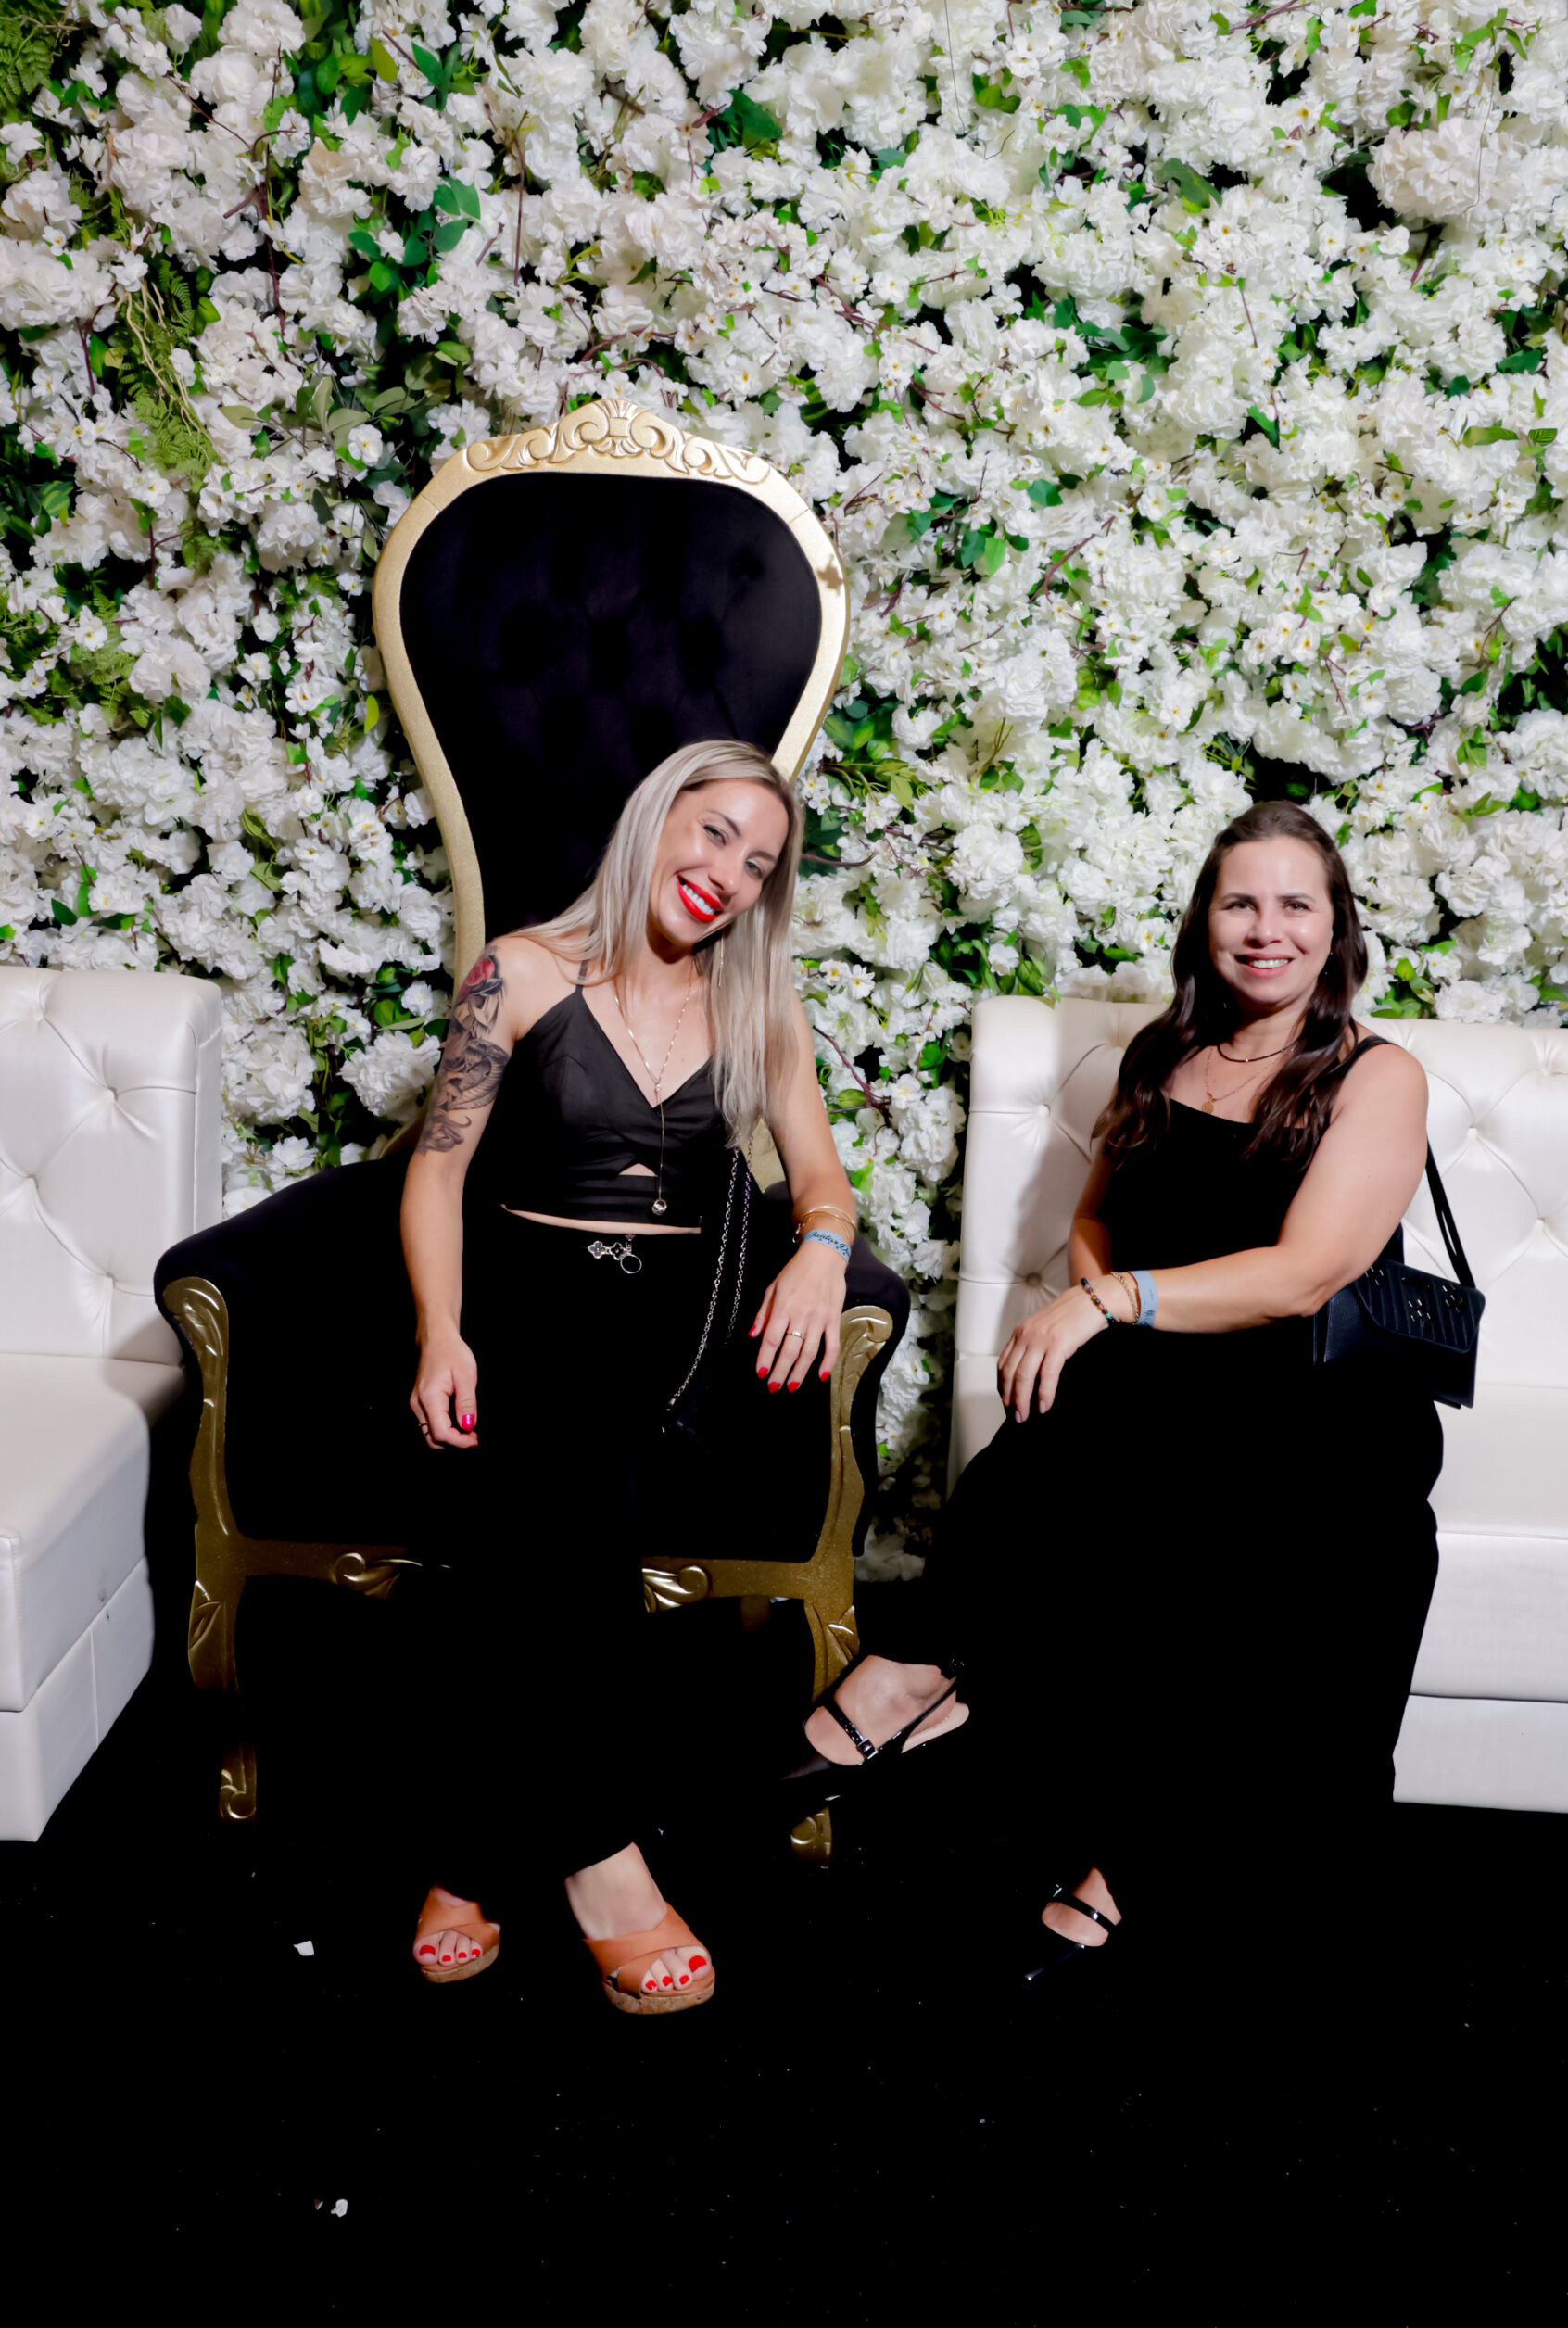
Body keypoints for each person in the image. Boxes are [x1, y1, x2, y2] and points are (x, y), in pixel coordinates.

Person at [783, 801, 1442, 1976]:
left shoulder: (1375, 1074)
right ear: (1204, 920)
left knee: (1253, 1513)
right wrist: (1101, 1308)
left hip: (1328, 1393)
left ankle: (1128, 1851)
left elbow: (1306, 1273)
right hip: (1184, 1359)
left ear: (1338, 928)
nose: (1268, 930)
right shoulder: (1162, 1053)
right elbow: (1098, 1217)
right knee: (1064, 1421)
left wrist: (1107, 1306)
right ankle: (921, 1673)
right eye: (1241, 903)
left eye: (1297, 905)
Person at [396, 740, 865, 2011]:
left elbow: (821, 1178)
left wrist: (821, 1252)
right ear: (654, 819)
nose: (728, 872)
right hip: (520, 1312)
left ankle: (470, 1859)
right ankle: (600, 1861)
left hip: (670, 1337)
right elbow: (436, 1169)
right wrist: (441, 1331)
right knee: (557, 1484)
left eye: (758, 863)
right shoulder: (518, 972)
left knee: (555, 1476)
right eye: (713, 832)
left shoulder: (756, 1007)